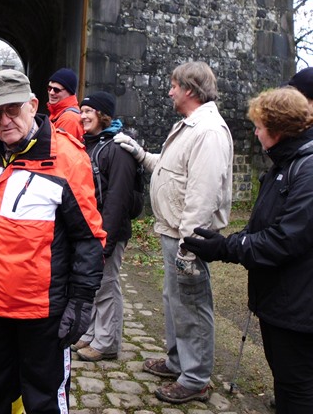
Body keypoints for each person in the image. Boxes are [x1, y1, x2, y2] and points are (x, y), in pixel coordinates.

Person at [181, 87, 313, 414]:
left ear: (278, 130)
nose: (256, 132)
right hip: (285, 296)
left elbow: (285, 239)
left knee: (298, 390)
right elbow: (265, 224)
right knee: (295, 384)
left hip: (303, 302)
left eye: (259, 126)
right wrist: (225, 241)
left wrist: (226, 248)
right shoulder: (287, 162)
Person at [0, 69, 106, 413]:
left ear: (33, 105)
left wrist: (82, 300)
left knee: (43, 397)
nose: (4, 120)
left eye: (12, 109)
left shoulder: (68, 158)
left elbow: (88, 237)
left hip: (41, 310)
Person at [114, 61, 233, 404]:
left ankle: (195, 378)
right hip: (173, 231)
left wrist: (189, 246)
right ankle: (178, 361)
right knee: (175, 300)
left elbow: (203, 193)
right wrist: (140, 154)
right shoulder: (191, 126)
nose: (169, 91)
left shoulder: (208, 131)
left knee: (192, 304)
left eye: (174, 86)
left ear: (190, 90)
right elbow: (170, 170)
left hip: (187, 237)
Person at [72, 91, 138, 362]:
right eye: (82, 111)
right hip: (92, 229)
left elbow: (118, 199)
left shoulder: (117, 149)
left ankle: (107, 342)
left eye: (88, 112)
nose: (83, 116)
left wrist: (107, 240)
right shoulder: (91, 143)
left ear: (102, 115)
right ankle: (90, 333)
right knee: (94, 284)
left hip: (109, 230)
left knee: (107, 285)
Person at [47, 67, 84, 142]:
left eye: (56, 90)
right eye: (49, 88)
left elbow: (62, 150)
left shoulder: (69, 119)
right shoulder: (57, 112)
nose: (51, 92)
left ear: (69, 92)